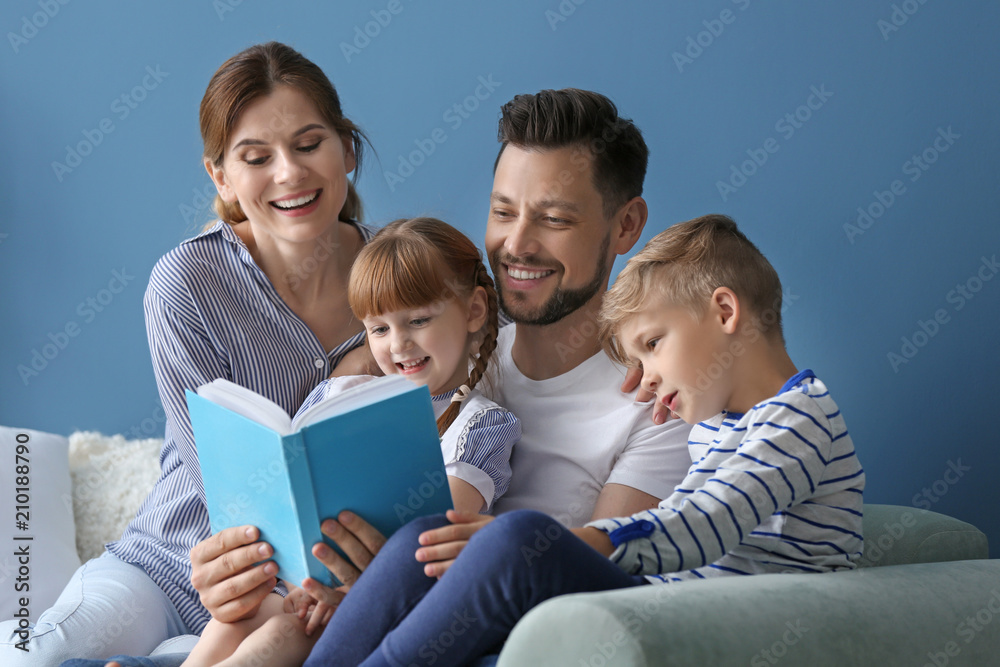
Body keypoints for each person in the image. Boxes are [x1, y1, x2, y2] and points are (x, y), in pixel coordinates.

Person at [303, 214, 866, 666]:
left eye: (651, 344)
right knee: (425, 540)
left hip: (714, 618)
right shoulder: (724, 424)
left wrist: (566, 543)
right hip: (670, 597)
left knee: (520, 538)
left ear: (723, 311)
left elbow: (703, 524)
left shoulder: (799, 420)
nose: (642, 379)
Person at [1, 42, 377, 667]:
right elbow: (220, 482)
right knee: (31, 659)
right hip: (174, 566)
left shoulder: (406, 279)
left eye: (310, 145)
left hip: (313, 592)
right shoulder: (187, 283)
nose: (289, 173)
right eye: (257, 157)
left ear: (348, 150)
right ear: (222, 177)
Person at [179, 217, 521, 667]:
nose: (399, 344)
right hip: (298, 585)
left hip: (388, 601)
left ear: (474, 311)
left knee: (284, 631)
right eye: (379, 329)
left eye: (418, 320)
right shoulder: (336, 394)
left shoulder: (481, 425)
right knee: (231, 622)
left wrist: (341, 592)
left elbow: (432, 532)